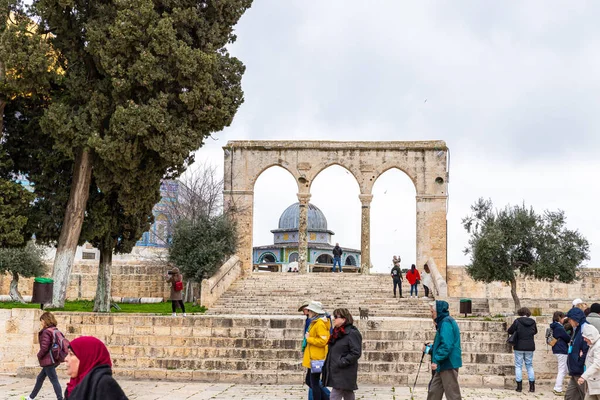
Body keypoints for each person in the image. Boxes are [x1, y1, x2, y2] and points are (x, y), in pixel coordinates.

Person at [22, 312, 64, 400]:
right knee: (40, 378)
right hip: (55, 358)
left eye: (42, 321)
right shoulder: (55, 330)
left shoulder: (46, 332)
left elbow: (44, 347)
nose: (41, 323)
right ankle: (31, 397)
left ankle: (60, 398)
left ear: (45, 321)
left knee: (54, 380)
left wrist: (39, 355)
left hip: (49, 360)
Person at [323, 308, 362, 400]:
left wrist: (342, 361)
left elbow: (356, 352)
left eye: (336, 317)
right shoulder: (337, 333)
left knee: (335, 394)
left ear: (344, 319)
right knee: (348, 393)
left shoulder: (352, 333)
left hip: (345, 370)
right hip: (336, 369)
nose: (334, 319)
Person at [427, 300, 462, 400]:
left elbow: (447, 345)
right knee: (434, 391)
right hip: (442, 363)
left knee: (452, 394)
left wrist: (437, 359)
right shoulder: (443, 322)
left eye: (432, 312)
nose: (431, 314)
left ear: (438, 311)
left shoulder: (446, 322)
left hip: (448, 363)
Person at [303, 301, 332, 400]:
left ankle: (327, 397)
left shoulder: (320, 323)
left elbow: (323, 340)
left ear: (314, 312)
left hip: (316, 358)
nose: (308, 312)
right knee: (310, 381)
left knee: (313, 383)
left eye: (310, 310)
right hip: (313, 356)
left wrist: (309, 339)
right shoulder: (314, 322)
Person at [507, 307, 538, 392]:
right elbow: (535, 331)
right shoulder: (533, 322)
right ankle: (532, 387)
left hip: (519, 346)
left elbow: (510, 330)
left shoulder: (517, 321)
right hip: (530, 346)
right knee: (529, 365)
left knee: (518, 366)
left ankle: (519, 387)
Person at [565, 307, 590, 400]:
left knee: (585, 396)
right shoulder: (578, 329)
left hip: (580, 370)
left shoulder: (585, 329)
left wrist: (579, 363)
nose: (570, 322)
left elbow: (586, 349)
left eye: (570, 320)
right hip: (574, 370)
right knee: (569, 396)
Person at [549, 311, 571, 396]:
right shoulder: (559, 327)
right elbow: (567, 338)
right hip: (561, 349)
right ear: (559, 318)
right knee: (562, 369)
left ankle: (557, 387)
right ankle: (558, 388)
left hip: (557, 349)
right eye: (563, 318)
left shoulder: (554, 326)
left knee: (564, 369)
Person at [578, 324, 600, 400]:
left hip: (597, 384)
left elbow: (597, 364)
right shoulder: (594, 345)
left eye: (585, 337)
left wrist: (584, 376)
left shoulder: (598, 346)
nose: (584, 339)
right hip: (593, 384)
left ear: (591, 336)